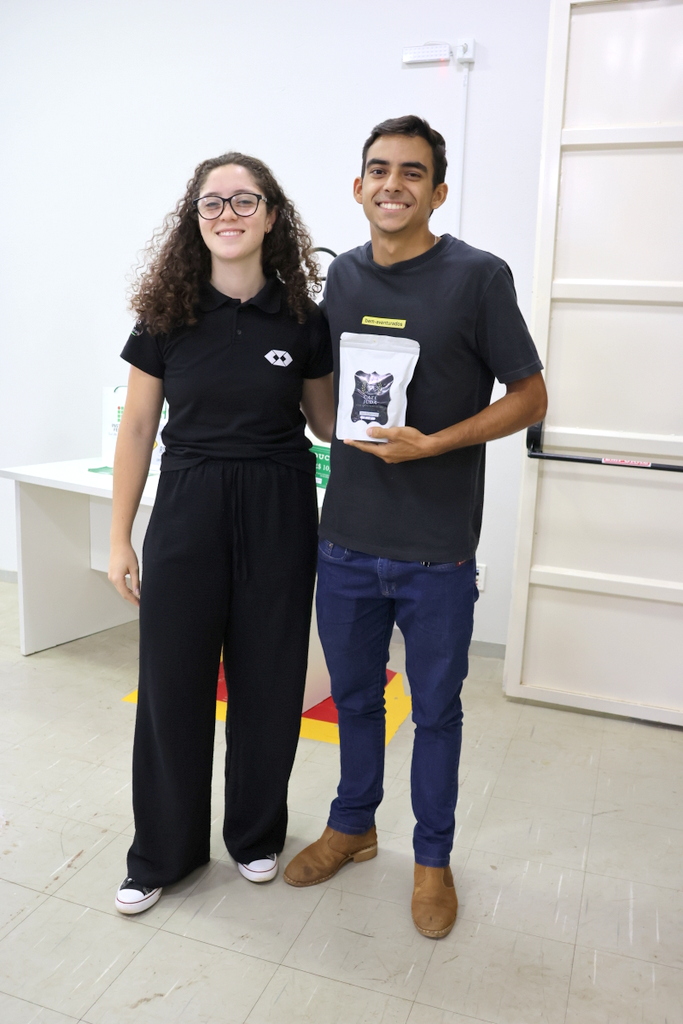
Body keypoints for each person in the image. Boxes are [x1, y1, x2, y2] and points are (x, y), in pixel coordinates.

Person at [283, 116, 547, 939]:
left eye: (411, 172)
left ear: (437, 191)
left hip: (436, 552)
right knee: (355, 701)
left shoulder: (477, 277)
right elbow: (325, 397)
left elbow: (530, 396)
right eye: (378, 169)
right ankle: (351, 827)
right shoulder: (341, 277)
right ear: (357, 186)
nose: (391, 184)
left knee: (435, 711)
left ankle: (432, 860)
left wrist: (435, 442)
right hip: (345, 540)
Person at [109, 152, 333, 914]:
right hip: (188, 506)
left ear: (271, 216)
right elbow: (137, 429)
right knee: (172, 685)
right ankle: (161, 853)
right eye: (212, 202)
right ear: (194, 218)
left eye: (244, 200)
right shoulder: (165, 316)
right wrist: (120, 537)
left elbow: (326, 423)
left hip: (278, 506)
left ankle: (256, 834)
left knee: (269, 679)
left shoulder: (303, 319)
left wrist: (392, 386)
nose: (228, 214)